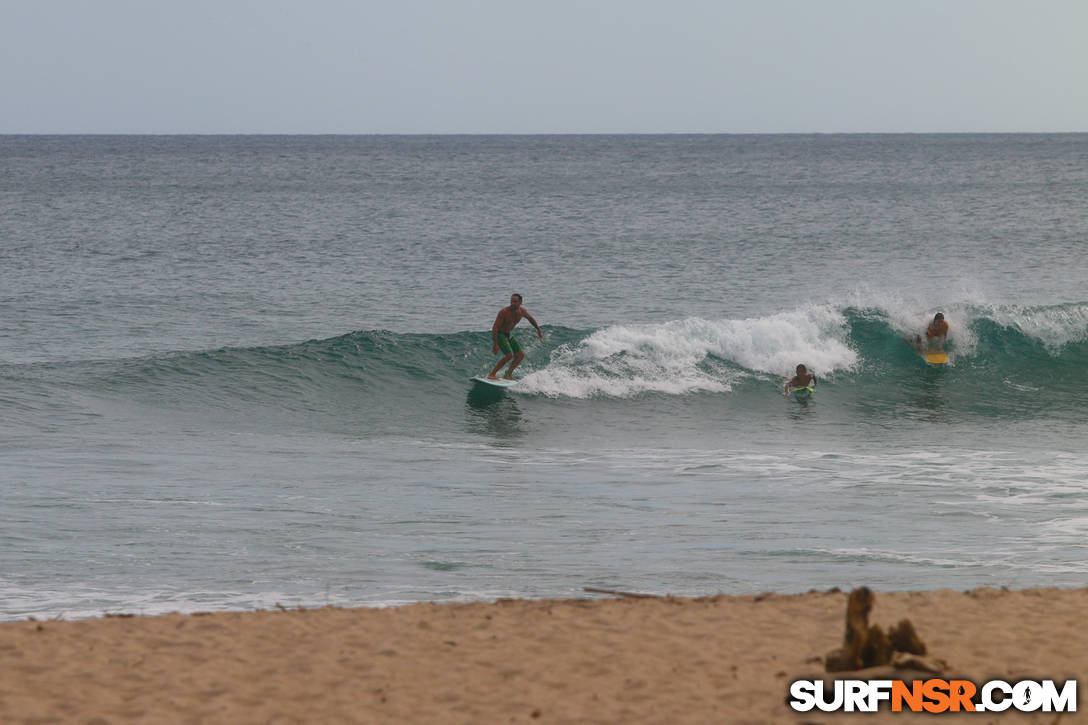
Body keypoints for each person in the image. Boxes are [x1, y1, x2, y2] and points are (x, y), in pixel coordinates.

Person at [488, 293, 543, 380]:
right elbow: (495, 327)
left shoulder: (522, 311)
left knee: (520, 355)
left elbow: (531, 319)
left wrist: (538, 329)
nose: (513, 303)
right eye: (511, 301)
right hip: (500, 334)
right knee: (509, 355)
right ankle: (492, 374)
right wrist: (495, 344)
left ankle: (508, 374)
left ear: (520, 302)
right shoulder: (504, 312)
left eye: (515, 301)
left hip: (508, 334)